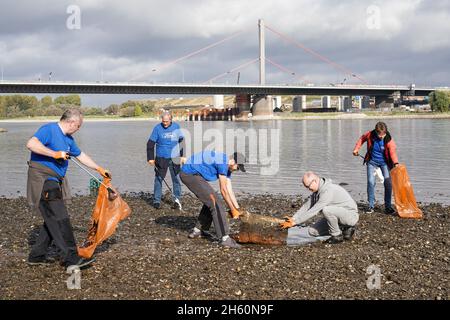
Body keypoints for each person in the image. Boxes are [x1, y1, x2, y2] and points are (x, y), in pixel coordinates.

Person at [26, 109, 111, 270]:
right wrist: (54, 154)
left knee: (52, 218)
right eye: (78, 126)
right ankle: (71, 258)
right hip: (43, 179)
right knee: (60, 218)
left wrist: (99, 169)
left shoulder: (69, 140)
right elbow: (31, 144)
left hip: (55, 180)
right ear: (71, 122)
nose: (78, 129)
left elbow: (80, 155)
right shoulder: (49, 129)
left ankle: (36, 256)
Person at [180, 150, 245, 248]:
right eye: (238, 167)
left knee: (211, 200)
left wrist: (237, 209)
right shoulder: (223, 163)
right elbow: (223, 191)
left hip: (196, 175)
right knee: (215, 202)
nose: (237, 170)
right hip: (189, 174)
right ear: (233, 162)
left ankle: (199, 230)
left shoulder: (227, 168)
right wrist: (232, 209)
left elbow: (229, 190)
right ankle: (225, 238)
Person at [280, 172, 359, 244]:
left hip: (351, 216)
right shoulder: (316, 192)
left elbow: (313, 211)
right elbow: (306, 207)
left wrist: (295, 223)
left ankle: (337, 236)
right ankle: (344, 229)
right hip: (337, 214)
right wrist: (293, 218)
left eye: (308, 186)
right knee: (312, 231)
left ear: (314, 181)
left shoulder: (327, 191)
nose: (308, 189)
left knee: (327, 210)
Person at [353, 121, 399, 214]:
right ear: (376, 132)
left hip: (385, 163)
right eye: (380, 135)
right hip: (371, 162)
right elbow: (361, 139)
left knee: (388, 182)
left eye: (384, 134)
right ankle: (370, 206)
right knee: (370, 182)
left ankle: (388, 207)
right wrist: (356, 149)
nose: (382, 136)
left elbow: (393, 153)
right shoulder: (370, 134)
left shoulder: (389, 139)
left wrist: (396, 163)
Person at [147, 111, 185, 209]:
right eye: (163, 121)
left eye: (167, 121)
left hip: (175, 157)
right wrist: (150, 158)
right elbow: (150, 144)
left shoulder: (176, 127)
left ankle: (177, 200)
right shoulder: (157, 128)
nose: (165, 123)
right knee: (159, 179)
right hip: (161, 158)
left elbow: (182, 142)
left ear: (171, 120)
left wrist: (183, 156)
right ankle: (156, 201)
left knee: (176, 179)